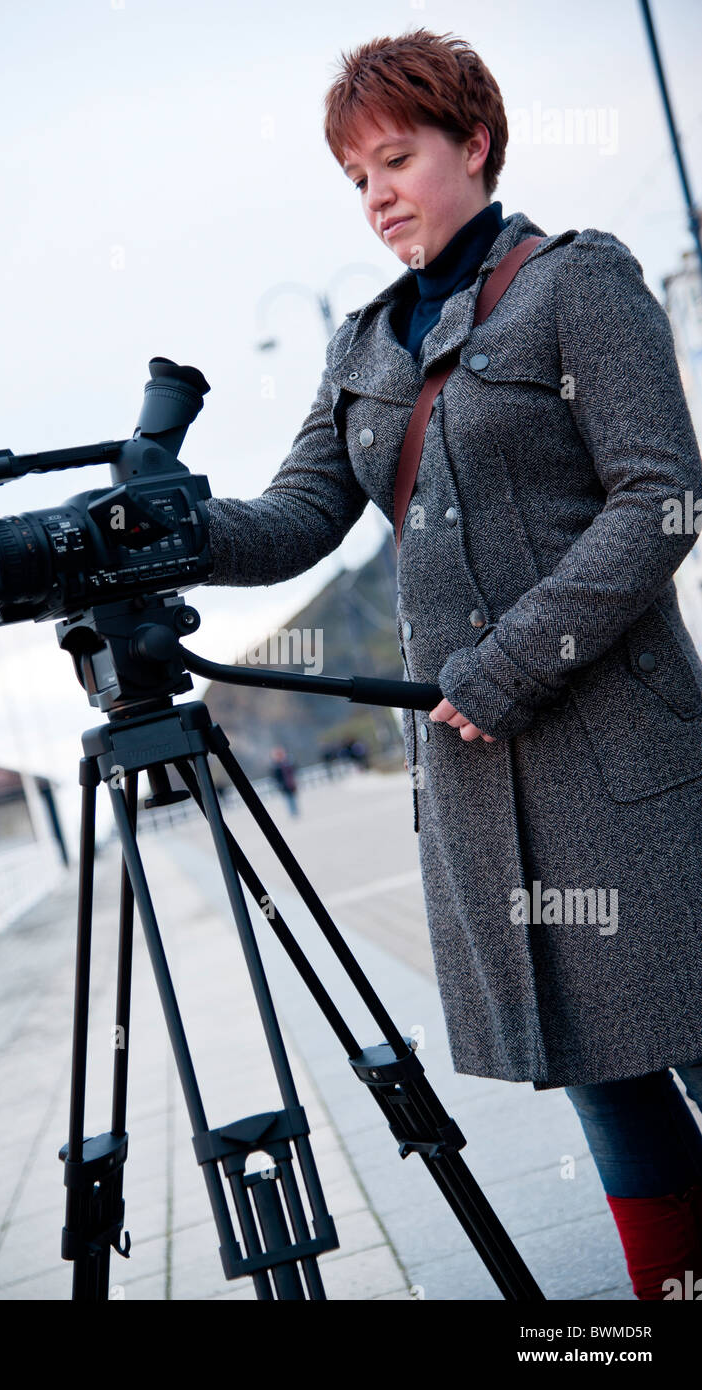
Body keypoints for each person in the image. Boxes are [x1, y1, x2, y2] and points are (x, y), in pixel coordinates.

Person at [200, 27, 702, 1299]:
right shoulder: (363, 346)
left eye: (396, 158)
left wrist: (505, 665)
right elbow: (293, 522)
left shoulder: (575, 284)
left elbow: (662, 499)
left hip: (630, 767)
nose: (374, 194)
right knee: (606, 1083)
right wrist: (156, 528)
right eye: (354, 175)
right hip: (486, 801)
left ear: (473, 145)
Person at [270, 745, 299, 816]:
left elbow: (295, 769)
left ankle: (295, 811)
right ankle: (292, 812)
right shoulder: (276, 765)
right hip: (284, 785)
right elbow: (274, 777)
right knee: (288, 799)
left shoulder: (288, 762)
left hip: (291, 783)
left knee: (293, 797)